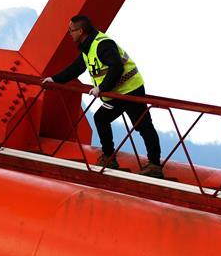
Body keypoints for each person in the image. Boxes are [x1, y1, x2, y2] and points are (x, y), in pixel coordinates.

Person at [42, 15, 163, 178]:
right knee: (101, 118)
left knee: (142, 125)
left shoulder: (103, 44)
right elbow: (77, 68)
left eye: (71, 30)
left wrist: (101, 88)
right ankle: (109, 157)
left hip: (130, 90)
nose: (69, 34)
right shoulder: (87, 47)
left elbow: (117, 67)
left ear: (81, 31)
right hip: (115, 93)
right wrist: (55, 79)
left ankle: (155, 165)